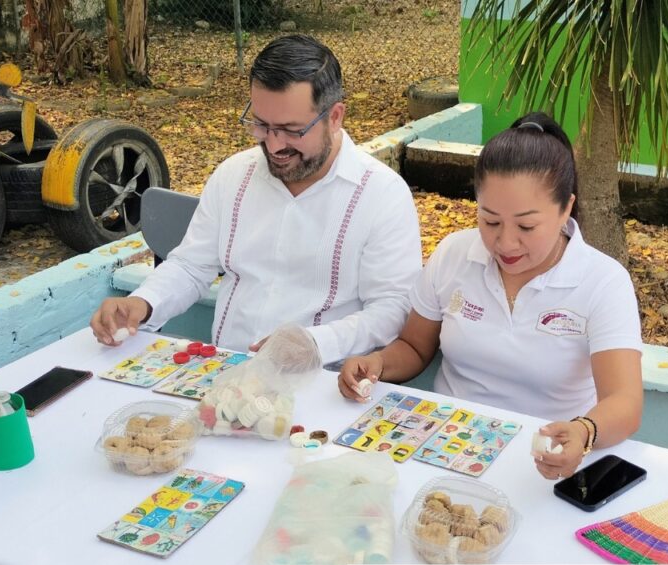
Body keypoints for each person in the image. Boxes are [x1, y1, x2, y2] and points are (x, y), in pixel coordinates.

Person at [337, 113, 644, 481]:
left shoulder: (602, 281)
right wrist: (377, 364)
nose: (505, 242)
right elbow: (415, 348)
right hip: (443, 446)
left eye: (527, 226)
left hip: (541, 461)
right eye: (490, 220)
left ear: (565, 209)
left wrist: (582, 431)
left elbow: (624, 403)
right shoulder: (454, 254)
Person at [91, 35, 421, 365]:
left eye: (292, 130)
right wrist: (143, 303)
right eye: (262, 125)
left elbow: (392, 308)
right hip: (225, 371)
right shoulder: (234, 175)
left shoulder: (381, 194)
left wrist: (316, 343)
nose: (274, 146)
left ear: (335, 117)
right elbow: (192, 266)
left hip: (325, 383)